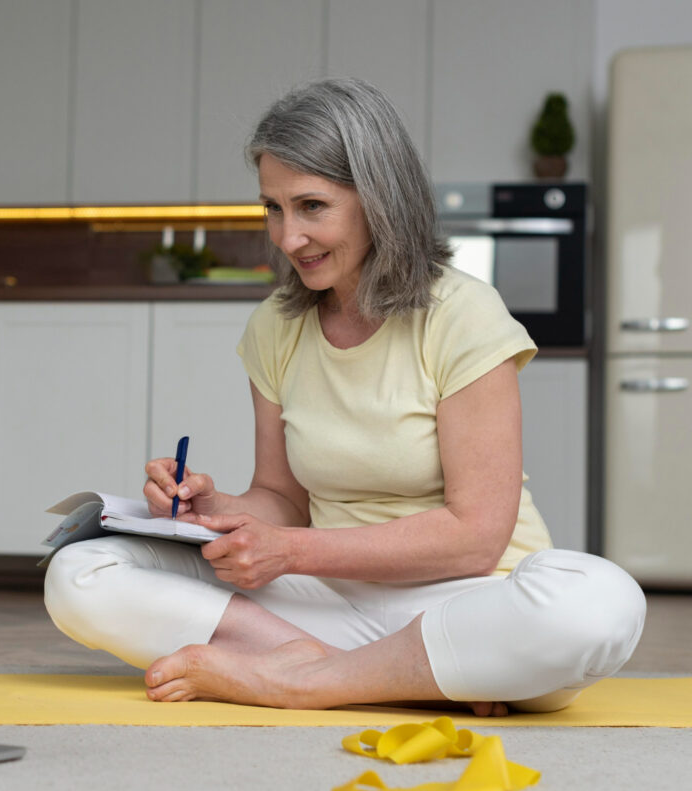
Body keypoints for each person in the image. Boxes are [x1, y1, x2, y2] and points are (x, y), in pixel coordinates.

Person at [43, 78, 645, 716]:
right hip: (325, 605)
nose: (286, 236)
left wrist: (290, 552)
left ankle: (301, 682)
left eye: (311, 206)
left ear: (378, 201)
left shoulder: (463, 314)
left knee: (599, 602)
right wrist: (210, 505)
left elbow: (476, 537)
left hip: (467, 602)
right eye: (272, 208)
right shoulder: (276, 326)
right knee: (82, 574)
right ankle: (384, 673)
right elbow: (283, 501)